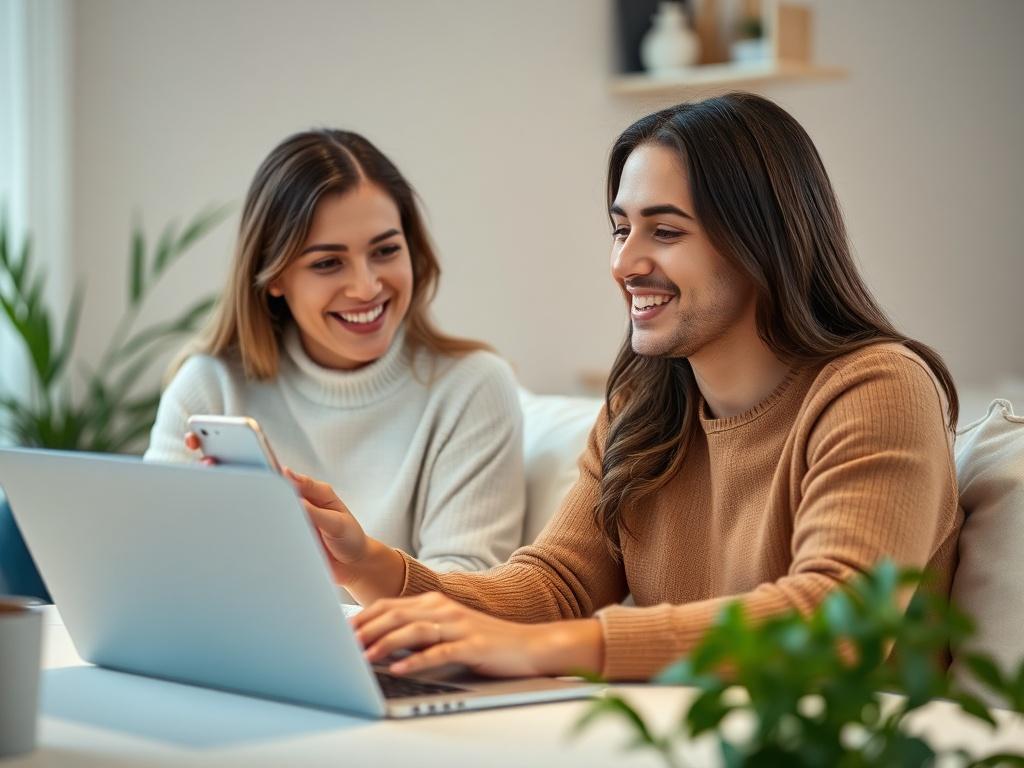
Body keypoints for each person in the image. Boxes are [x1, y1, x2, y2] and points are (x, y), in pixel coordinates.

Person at [289, 93, 963, 681]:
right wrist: (366, 563)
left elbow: (836, 623)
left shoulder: (877, 388)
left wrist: (553, 648)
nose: (623, 264)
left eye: (664, 231)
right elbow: (554, 585)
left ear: (765, 242)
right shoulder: (646, 406)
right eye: (621, 229)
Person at [145, 129, 525, 574]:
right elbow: (153, 568)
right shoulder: (208, 386)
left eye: (385, 250)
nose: (366, 287)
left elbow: (466, 590)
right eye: (328, 262)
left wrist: (359, 565)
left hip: (393, 646)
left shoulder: (473, 387)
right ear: (274, 276)